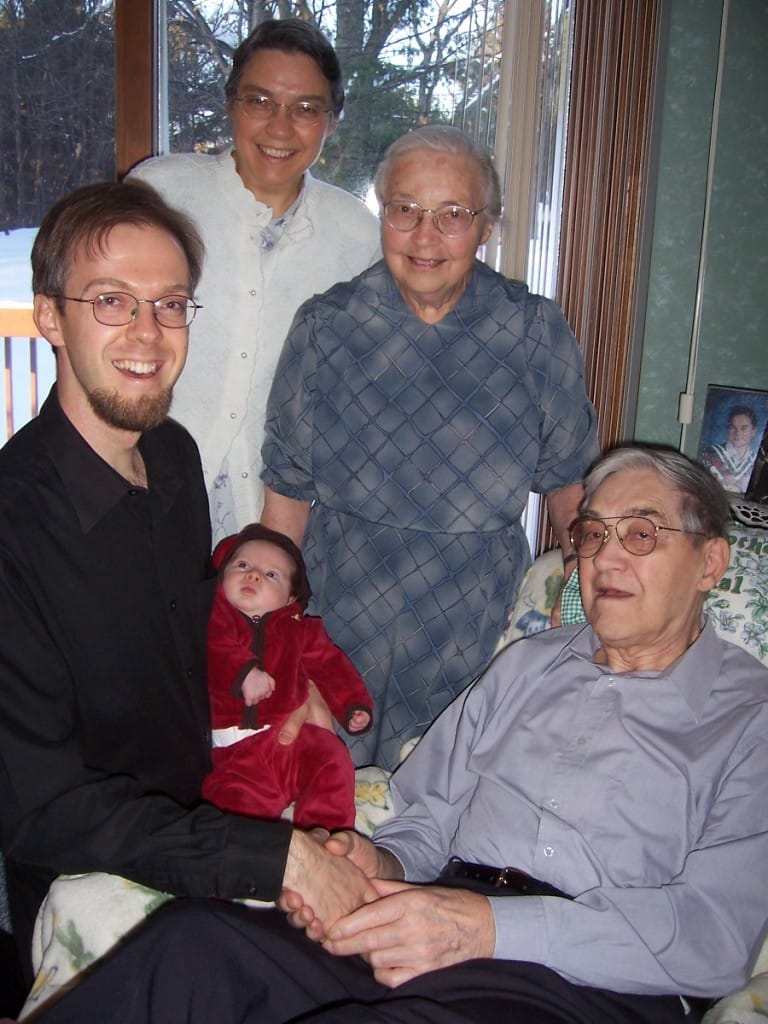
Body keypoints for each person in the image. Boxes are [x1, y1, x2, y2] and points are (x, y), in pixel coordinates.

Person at [28, 446, 768, 1024]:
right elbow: (426, 814)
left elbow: (713, 939)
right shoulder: (530, 664)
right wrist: (375, 858)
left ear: (710, 563)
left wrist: (486, 929)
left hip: (582, 988)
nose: (605, 556)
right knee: (192, 948)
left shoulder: (750, 720)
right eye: (594, 532)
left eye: (641, 534)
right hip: (425, 929)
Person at [0, 180, 377, 988]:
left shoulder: (173, 456)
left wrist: (285, 689)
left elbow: (194, 641)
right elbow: (42, 808)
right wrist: (270, 859)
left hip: (222, 803)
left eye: (170, 305)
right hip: (101, 881)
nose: (148, 333)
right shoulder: (12, 530)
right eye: (112, 301)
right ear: (49, 317)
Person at [261, 124, 600, 769]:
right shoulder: (325, 326)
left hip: (473, 616)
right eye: (406, 211)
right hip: (341, 606)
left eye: (453, 215)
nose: (425, 237)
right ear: (381, 214)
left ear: (488, 227)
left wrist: (578, 609)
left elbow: (570, 486)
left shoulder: (532, 331)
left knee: (450, 804)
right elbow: (287, 492)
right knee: (327, 797)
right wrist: (274, 635)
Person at [130, 18, 381, 541]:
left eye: (306, 109)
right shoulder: (161, 192)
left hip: (280, 523)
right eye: (260, 101)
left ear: (332, 120)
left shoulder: (357, 235)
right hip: (147, 495)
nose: (280, 128)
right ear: (232, 104)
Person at [203, 523, 373, 829]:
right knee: (237, 811)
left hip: (288, 742)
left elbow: (331, 667)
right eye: (242, 565)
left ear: (290, 597)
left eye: (271, 575)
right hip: (234, 754)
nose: (253, 575)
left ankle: (328, 835)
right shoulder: (212, 620)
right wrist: (243, 672)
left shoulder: (299, 630)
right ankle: (255, 859)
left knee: (330, 756)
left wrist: (352, 705)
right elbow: (213, 649)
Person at [701, 404, 759, 493]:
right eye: (733, 427)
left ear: (753, 431)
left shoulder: (757, 461)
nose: (738, 432)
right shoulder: (710, 453)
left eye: (743, 428)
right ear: (728, 429)